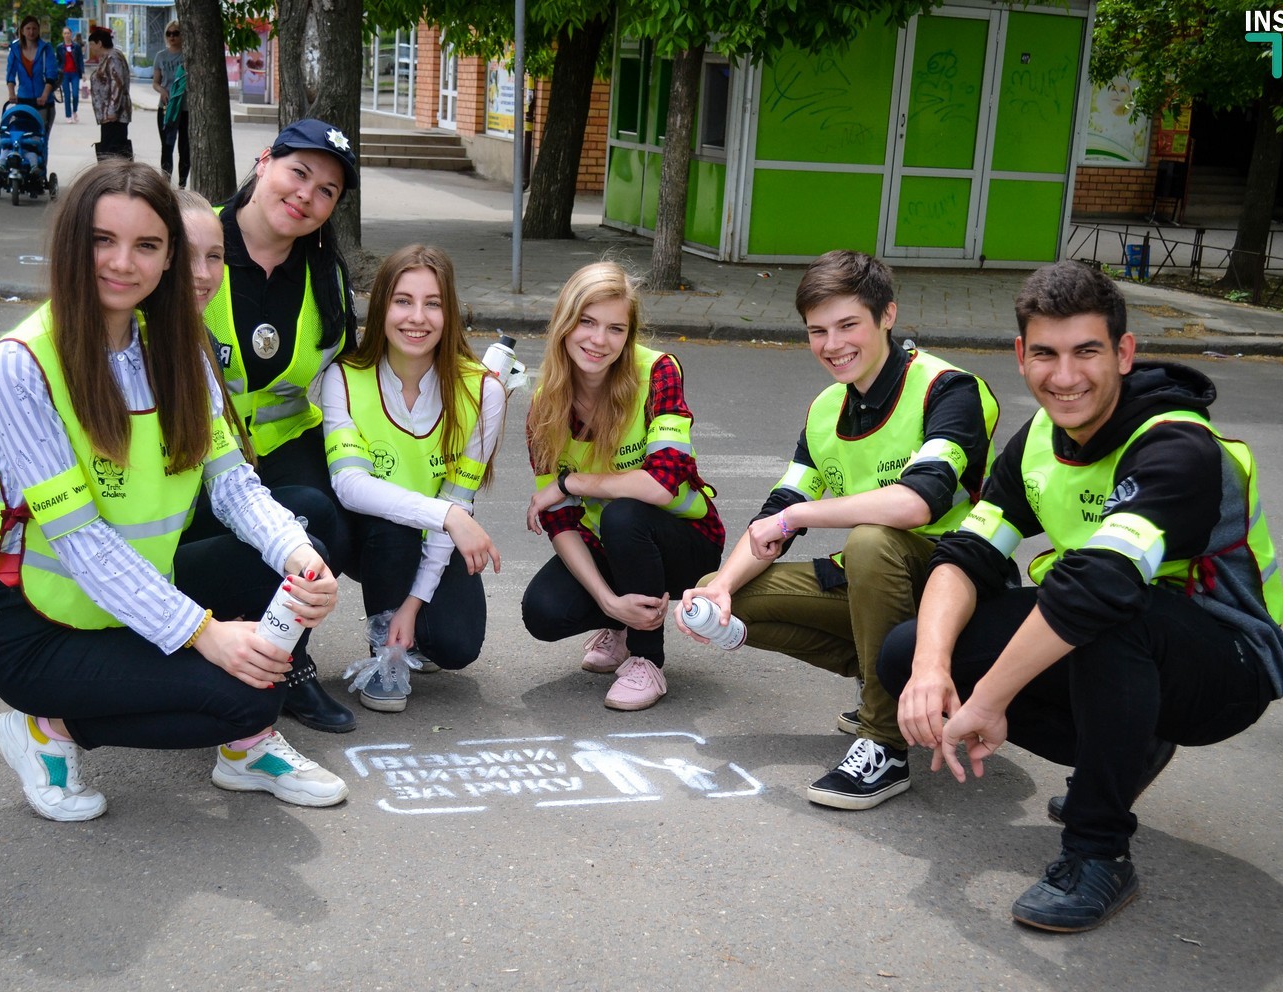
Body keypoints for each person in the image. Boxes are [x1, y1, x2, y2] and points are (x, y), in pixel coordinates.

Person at [878, 261, 1283, 932]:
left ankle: (1098, 853)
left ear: (1124, 353)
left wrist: (988, 701)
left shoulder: (1178, 446)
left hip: (1229, 661)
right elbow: (966, 555)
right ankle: (1125, 746)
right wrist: (930, 667)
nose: (1064, 376)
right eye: (1045, 353)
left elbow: (1100, 588)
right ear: (1021, 355)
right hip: (1112, 632)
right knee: (906, 652)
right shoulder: (1039, 440)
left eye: (1086, 352)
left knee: (1109, 614)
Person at [0, 160, 352, 822]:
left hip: (140, 597)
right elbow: (83, 543)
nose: (123, 263)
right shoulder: (20, 363)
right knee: (250, 696)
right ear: (72, 244)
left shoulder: (177, 350)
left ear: (167, 257)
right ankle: (45, 730)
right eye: (103, 240)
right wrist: (205, 635)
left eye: (146, 245)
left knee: (301, 548)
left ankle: (244, 748)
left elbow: (234, 486)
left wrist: (298, 556)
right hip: (38, 626)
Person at [677, 250, 999, 810]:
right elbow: (779, 509)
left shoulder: (949, 389)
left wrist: (799, 517)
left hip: (956, 586)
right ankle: (886, 681)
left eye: (848, 325)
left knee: (871, 540)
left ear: (887, 315)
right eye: (817, 331)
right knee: (722, 592)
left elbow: (917, 503)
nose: (832, 345)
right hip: (876, 584)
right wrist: (721, 587)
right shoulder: (827, 408)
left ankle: (885, 743)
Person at [203, 117, 361, 731]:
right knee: (277, 534)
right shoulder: (196, 240)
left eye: (327, 191)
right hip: (195, 449)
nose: (306, 195)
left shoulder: (327, 273)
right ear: (265, 160)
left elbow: (350, 371)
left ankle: (285, 658)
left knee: (331, 520)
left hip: (285, 440)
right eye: (299, 172)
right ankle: (220, 639)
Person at [521, 261, 724, 712]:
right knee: (543, 612)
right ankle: (622, 622)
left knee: (624, 512)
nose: (599, 340)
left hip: (685, 542)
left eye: (615, 328)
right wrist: (608, 602)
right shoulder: (544, 405)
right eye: (587, 322)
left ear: (629, 335)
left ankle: (647, 659)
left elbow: (662, 484)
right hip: (613, 547)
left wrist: (570, 482)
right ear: (564, 323)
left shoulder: (658, 372)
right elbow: (560, 521)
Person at [320, 245, 504, 712]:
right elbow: (350, 486)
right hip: (372, 537)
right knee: (391, 522)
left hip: (435, 538)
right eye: (403, 301)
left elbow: (457, 498)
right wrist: (448, 516)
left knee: (457, 645)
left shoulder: (483, 390)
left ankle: (411, 628)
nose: (417, 317)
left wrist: (415, 603)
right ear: (382, 305)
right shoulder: (344, 377)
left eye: (433, 303)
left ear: (450, 313)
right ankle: (385, 657)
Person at [5, 15, 57, 137]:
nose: (31, 32)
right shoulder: (15, 49)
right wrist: (11, 93)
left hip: (43, 103)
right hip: (23, 100)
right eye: (28, 28)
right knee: (20, 137)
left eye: (34, 28)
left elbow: (51, 74)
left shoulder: (46, 49)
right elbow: (10, 73)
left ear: (38, 30)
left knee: (39, 139)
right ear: (22, 31)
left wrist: (44, 95)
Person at [153, 21, 190, 187]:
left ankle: (182, 186)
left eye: (176, 33)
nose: (172, 37)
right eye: (169, 33)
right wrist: (162, 91)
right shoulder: (161, 56)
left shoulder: (187, 56)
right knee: (167, 147)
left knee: (185, 149)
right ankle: (166, 186)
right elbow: (155, 82)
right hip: (166, 108)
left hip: (185, 109)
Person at [88, 26, 132, 160]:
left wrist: (112, 110)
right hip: (108, 116)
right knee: (108, 151)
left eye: (92, 44)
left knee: (113, 154)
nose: (91, 48)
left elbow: (117, 84)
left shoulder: (113, 58)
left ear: (99, 43)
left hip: (114, 117)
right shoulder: (107, 58)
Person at [55, 26, 83, 125]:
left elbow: (80, 60)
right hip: (64, 74)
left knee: (75, 95)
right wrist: (57, 71)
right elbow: (58, 60)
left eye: (68, 33)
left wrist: (83, 72)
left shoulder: (76, 46)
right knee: (67, 95)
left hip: (75, 73)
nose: (67, 35)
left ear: (71, 34)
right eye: (65, 33)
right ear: (63, 35)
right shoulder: (59, 47)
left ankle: (74, 110)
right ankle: (68, 116)